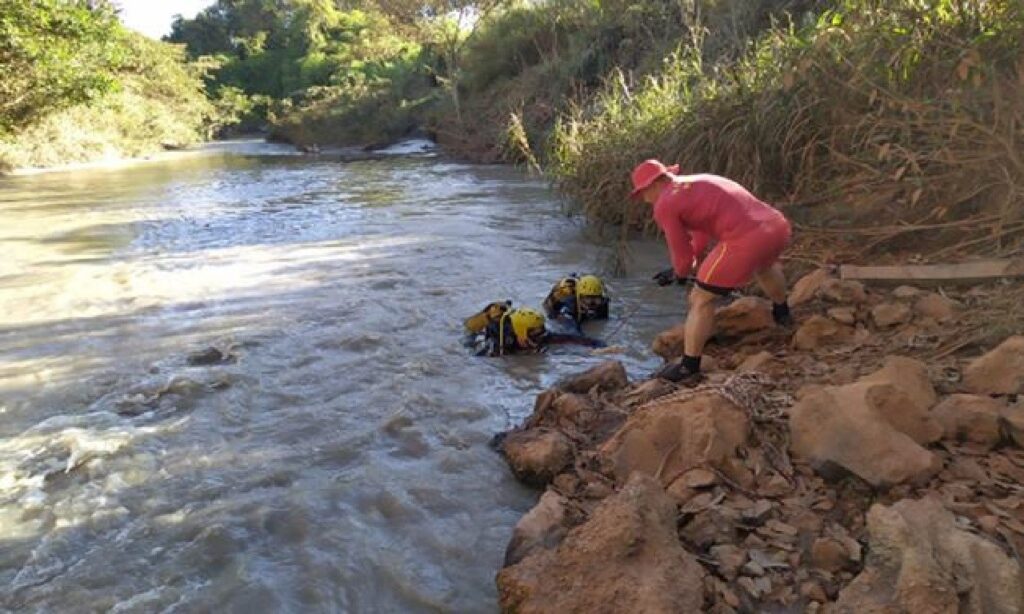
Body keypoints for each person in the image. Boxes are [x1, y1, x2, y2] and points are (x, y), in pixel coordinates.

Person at [630, 159, 793, 383]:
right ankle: (782, 314)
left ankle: (689, 366)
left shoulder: (665, 204)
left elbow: (682, 255)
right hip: (777, 226)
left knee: (700, 298)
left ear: (654, 185)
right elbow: (701, 234)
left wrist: (679, 273)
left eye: (642, 193)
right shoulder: (695, 182)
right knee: (764, 266)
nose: (644, 199)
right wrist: (689, 264)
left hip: (747, 239)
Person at [464, 305, 605, 356]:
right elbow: (473, 358)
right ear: (520, 333)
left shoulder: (540, 336)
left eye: (541, 331)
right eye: (534, 333)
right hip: (479, 335)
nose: (540, 337)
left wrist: (599, 345)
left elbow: (569, 338)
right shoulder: (497, 343)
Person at [542, 274, 610, 330]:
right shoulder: (569, 303)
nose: (592, 304)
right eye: (587, 299)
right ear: (579, 297)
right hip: (554, 306)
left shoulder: (603, 302)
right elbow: (571, 331)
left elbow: (604, 320)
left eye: (596, 299)